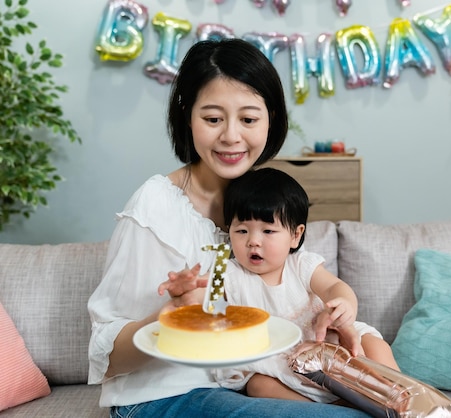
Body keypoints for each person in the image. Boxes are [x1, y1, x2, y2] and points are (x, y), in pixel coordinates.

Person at [87, 38, 371, 418]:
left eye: (249, 119)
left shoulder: (264, 202)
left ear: (271, 118)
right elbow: (107, 360)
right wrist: (167, 317)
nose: (231, 137)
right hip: (163, 396)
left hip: (243, 386)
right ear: (188, 117)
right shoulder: (155, 205)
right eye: (213, 118)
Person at [216, 167, 399, 403]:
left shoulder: (300, 265)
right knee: (259, 386)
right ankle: (329, 409)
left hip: (329, 347)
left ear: (295, 235)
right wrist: (189, 290)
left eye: (268, 231)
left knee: (374, 346)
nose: (253, 241)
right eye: (241, 230)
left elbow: (335, 288)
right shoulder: (229, 273)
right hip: (281, 366)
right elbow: (205, 300)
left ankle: (400, 400)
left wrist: (343, 304)